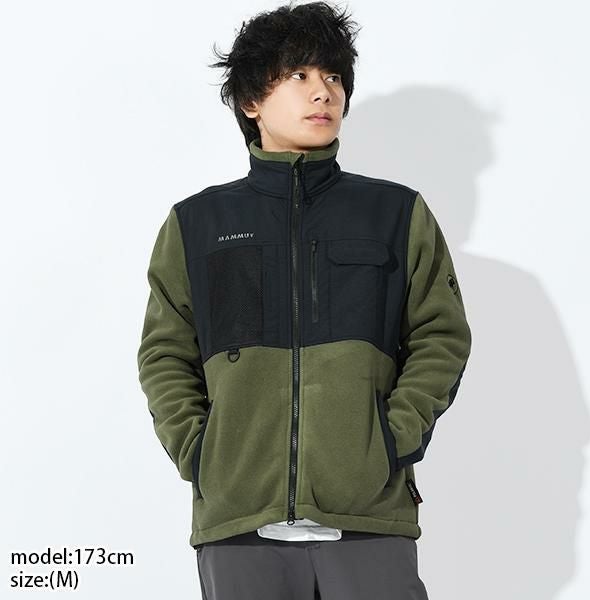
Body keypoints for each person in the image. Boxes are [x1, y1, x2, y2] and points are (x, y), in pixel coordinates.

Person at [136, 1, 472, 598]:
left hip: (368, 517)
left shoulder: (396, 213)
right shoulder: (197, 224)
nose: (324, 92)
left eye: (334, 77)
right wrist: (202, 453)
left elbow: (440, 336)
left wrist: (391, 440)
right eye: (299, 75)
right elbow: (165, 353)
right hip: (239, 523)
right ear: (251, 101)